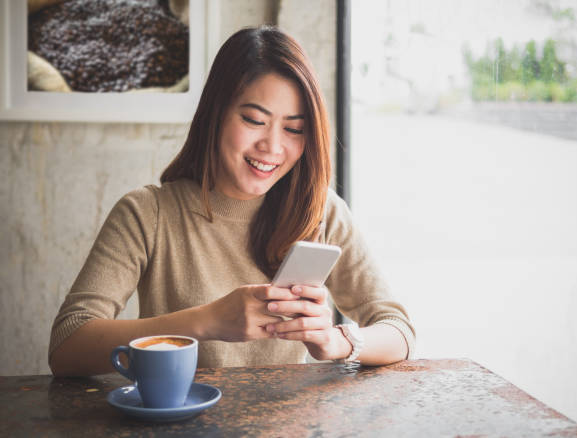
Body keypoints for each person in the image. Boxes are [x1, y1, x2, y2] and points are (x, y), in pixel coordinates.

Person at [48, 26, 415, 376]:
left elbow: (399, 331)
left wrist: (336, 340)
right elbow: (67, 345)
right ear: (216, 113)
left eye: (293, 129)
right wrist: (207, 321)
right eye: (255, 120)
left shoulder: (321, 211)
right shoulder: (148, 213)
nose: (272, 147)